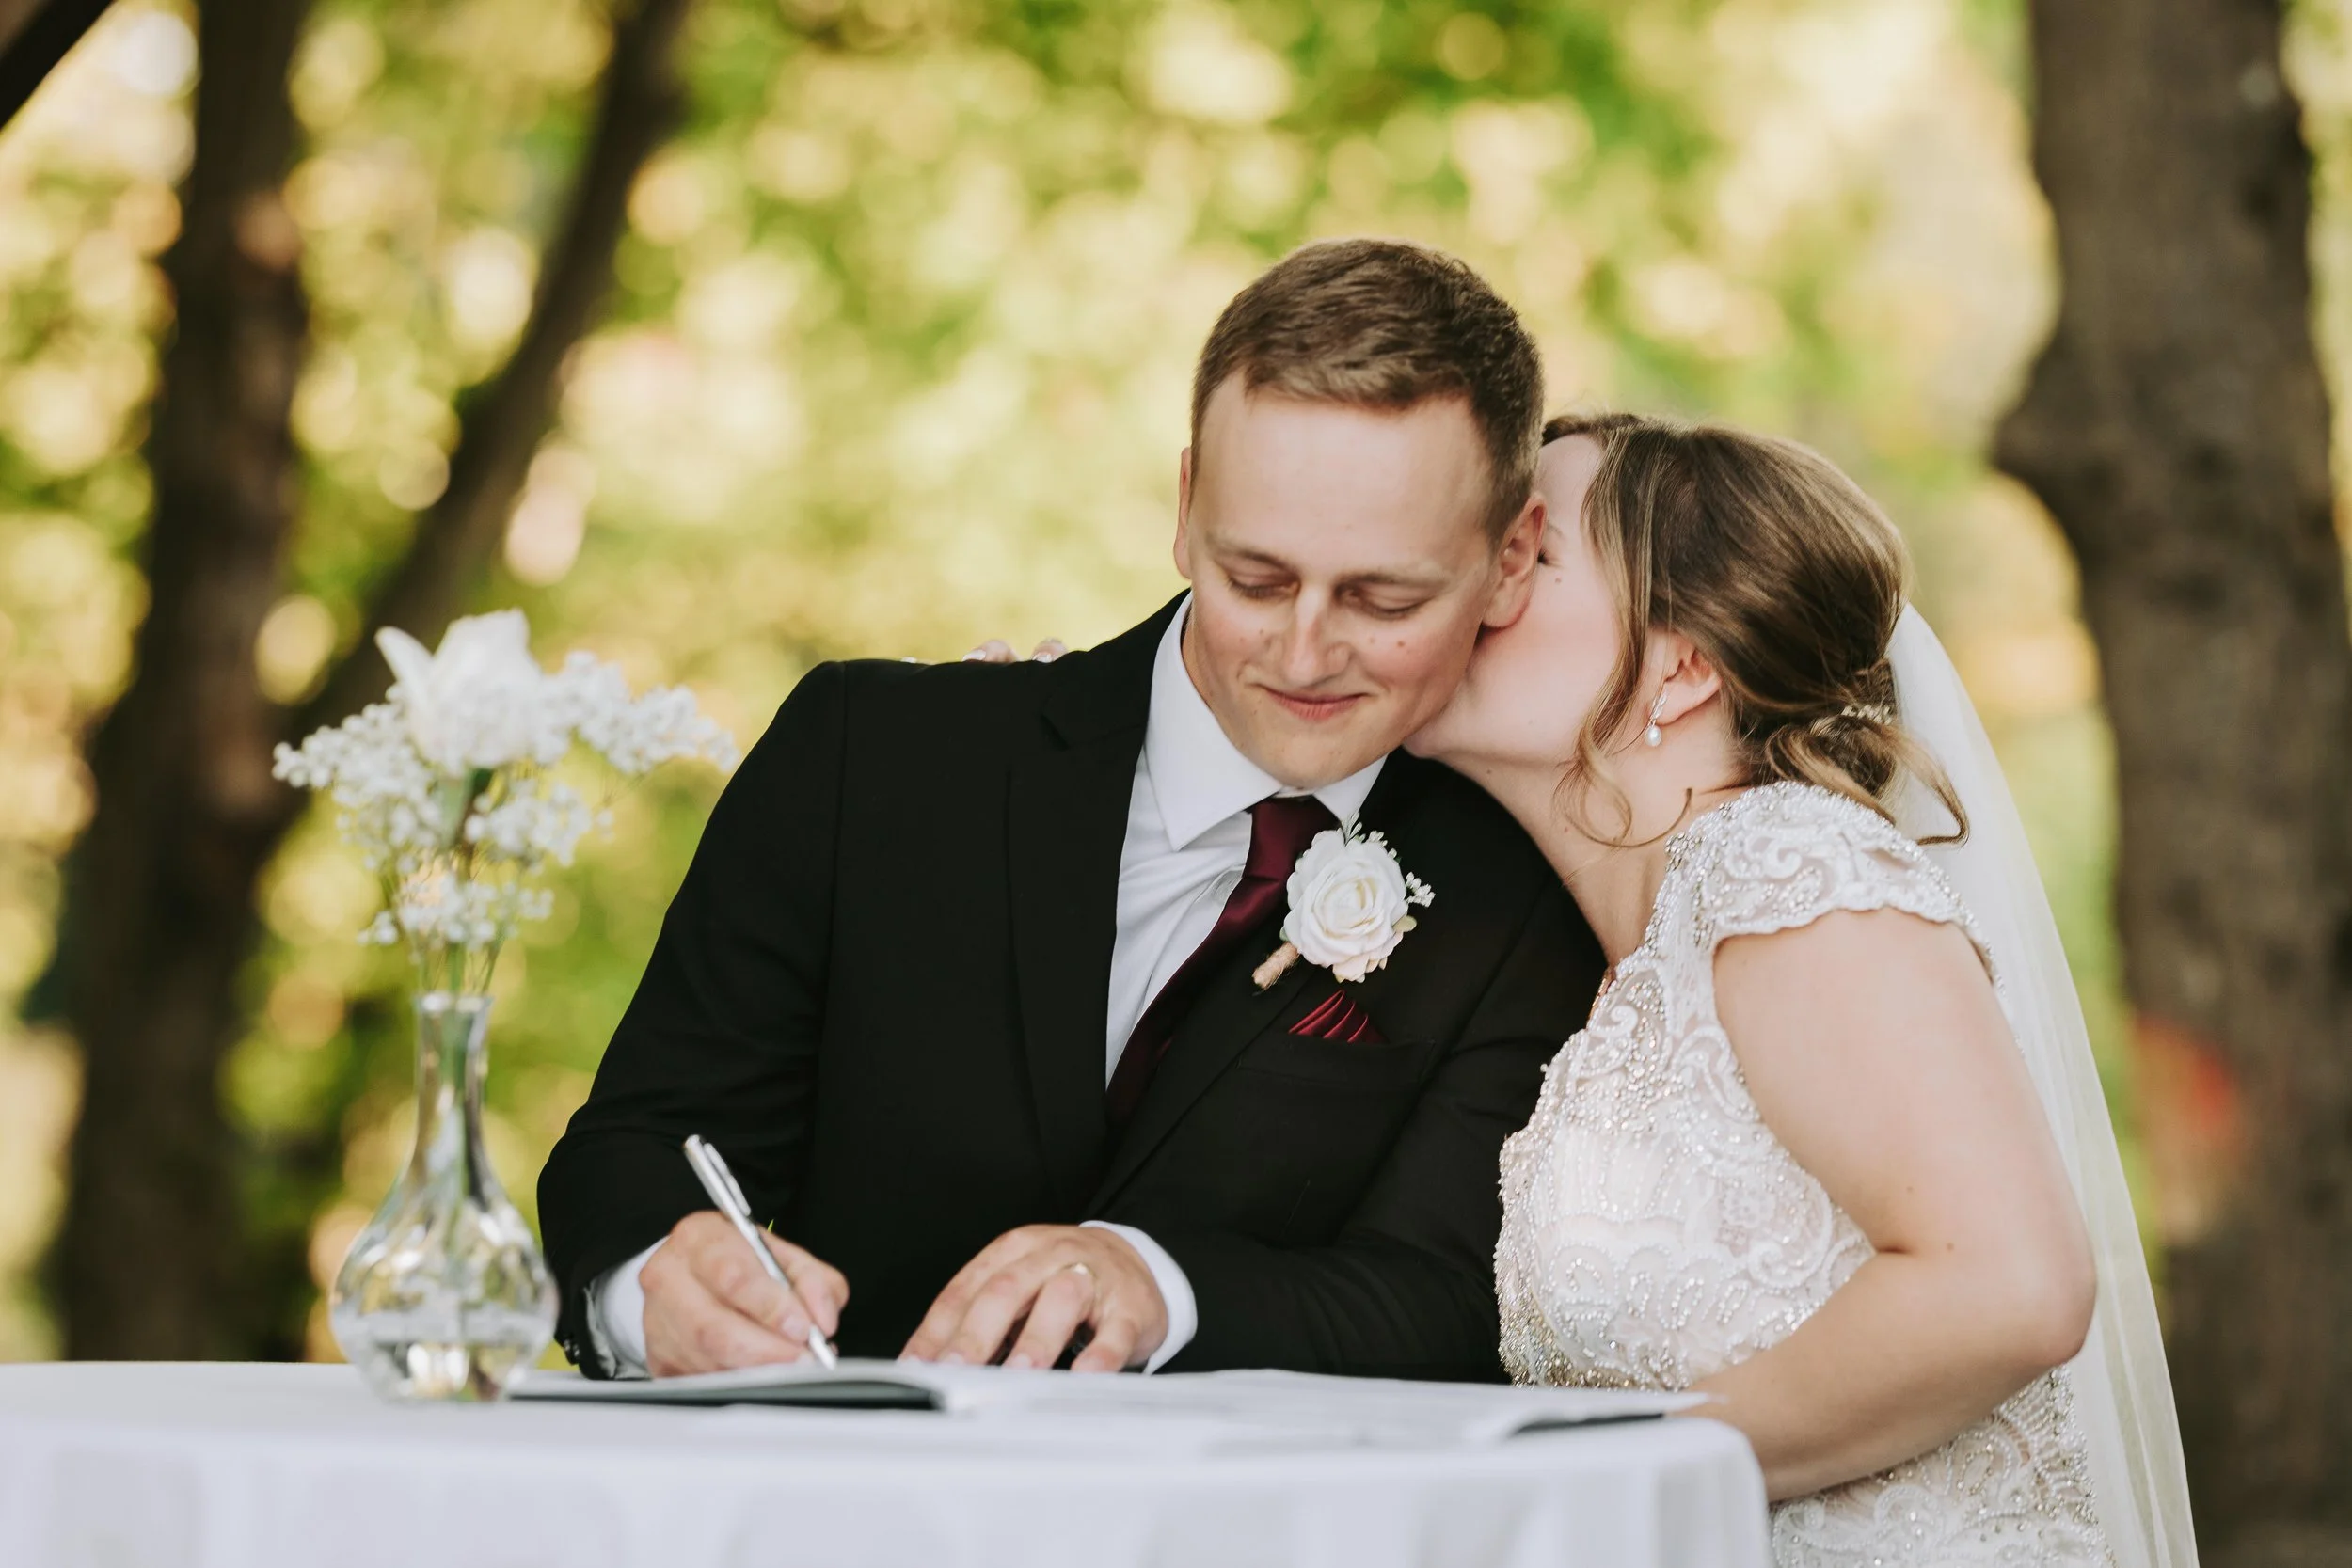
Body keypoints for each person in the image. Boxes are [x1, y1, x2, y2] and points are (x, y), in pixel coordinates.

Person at [533, 239, 1607, 1381]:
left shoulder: (1530, 892)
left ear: (1511, 556)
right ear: (1187, 505)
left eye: (1382, 596)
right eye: (1255, 578)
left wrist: (1168, 1285)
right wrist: (649, 1280)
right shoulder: (868, 758)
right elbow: (633, 1151)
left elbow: (1443, 1295)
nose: (1303, 648)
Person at [1405, 413, 2196, 1566]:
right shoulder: (1643, 949)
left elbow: (2011, 1282)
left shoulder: (1787, 872)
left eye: (1532, 552)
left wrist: (1626, 1467)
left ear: (1682, 665)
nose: (1478, 577)